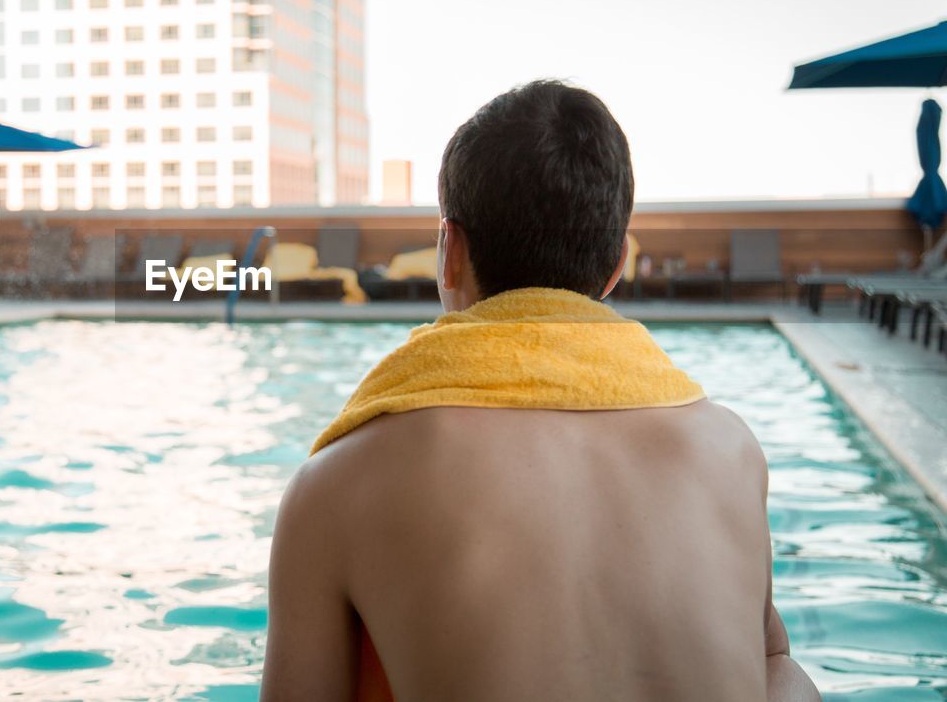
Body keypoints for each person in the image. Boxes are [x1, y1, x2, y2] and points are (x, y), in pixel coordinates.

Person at [261, 81, 819, 702]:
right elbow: (768, 656)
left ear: (449, 251)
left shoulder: (338, 482)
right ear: (616, 267)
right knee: (785, 676)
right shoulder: (730, 449)